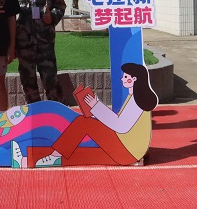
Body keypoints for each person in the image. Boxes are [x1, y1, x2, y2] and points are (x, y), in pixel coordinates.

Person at [12, 62, 158, 168]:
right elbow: (121, 123)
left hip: (128, 150)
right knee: (79, 152)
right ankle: (27, 160)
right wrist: (96, 109)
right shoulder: (135, 97)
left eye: (125, 77)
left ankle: (50, 156)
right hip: (127, 147)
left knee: (84, 123)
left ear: (134, 79)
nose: (122, 79)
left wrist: (96, 107)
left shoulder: (138, 101)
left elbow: (121, 126)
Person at [12, 0, 67, 103]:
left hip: (45, 41)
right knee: (28, 81)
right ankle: (34, 113)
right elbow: (8, 15)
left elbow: (60, 6)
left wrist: (53, 16)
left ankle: (56, 112)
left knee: (51, 80)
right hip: (23, 43)